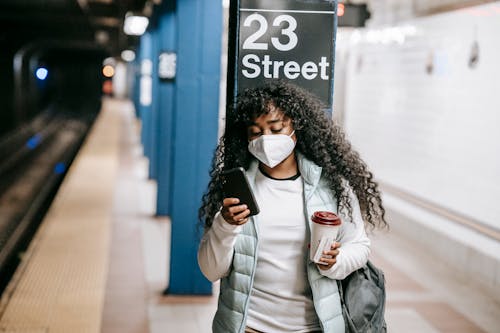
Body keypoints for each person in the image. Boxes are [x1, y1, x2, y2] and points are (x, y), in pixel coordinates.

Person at [198, 81, 387, 333]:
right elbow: (211, 270)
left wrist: (335, 262)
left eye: (276, 128)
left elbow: (360, 246)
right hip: (248, 326)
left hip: (312, 327)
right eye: (255, 132)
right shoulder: (238, 189)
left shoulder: (331, 187)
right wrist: (226, 225)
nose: (265, 140)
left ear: (296, 127)